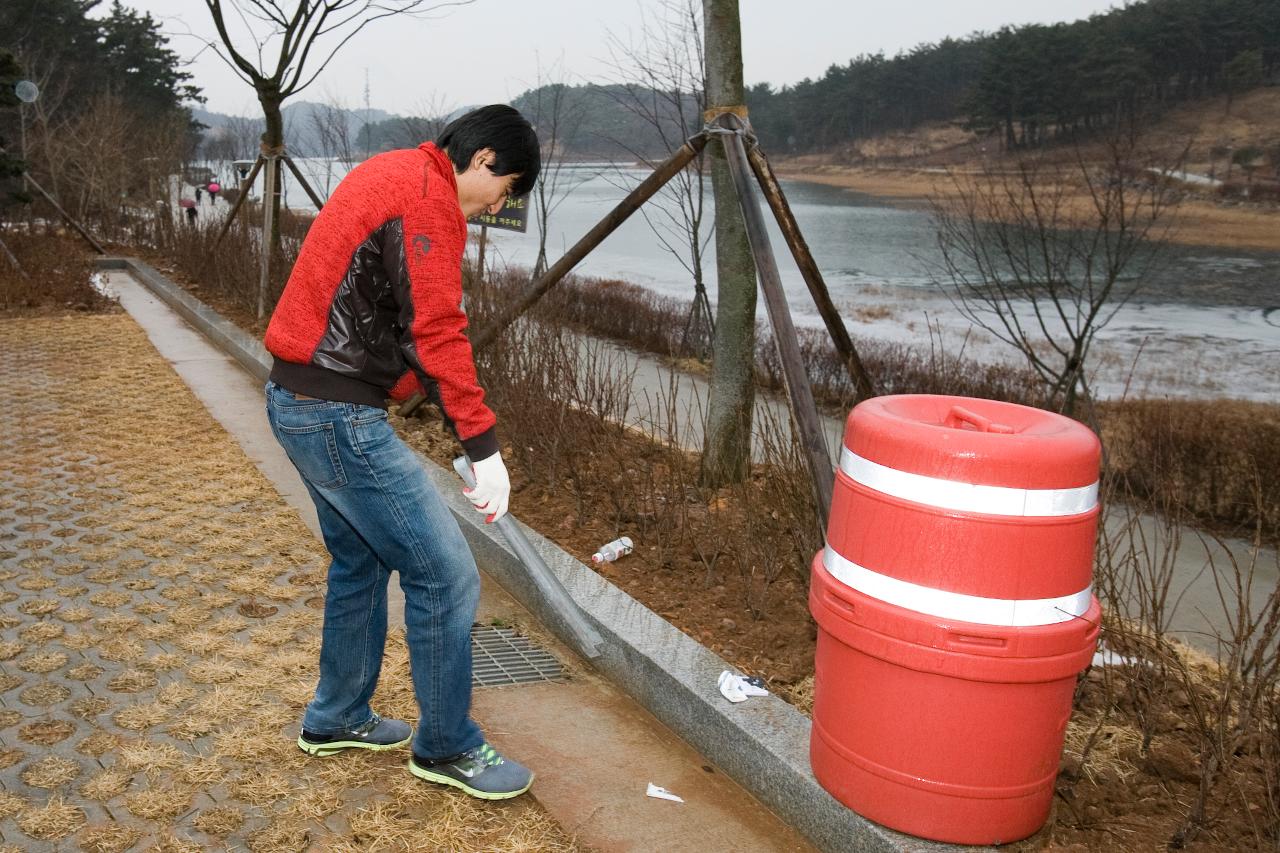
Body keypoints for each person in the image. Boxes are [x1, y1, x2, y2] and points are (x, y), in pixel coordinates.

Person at [263, 105, 540, 800]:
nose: (497, 205)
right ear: (481, 161)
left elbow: (386, 312)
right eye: (504, 189)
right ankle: (446, 746)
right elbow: (439, 328)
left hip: (297, 396)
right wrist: (483, 445)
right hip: (333, 412)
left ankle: (337, 716)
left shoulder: (395, 169)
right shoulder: (427, 200)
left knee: (360, 560)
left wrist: (423, 390)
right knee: (445, 574)